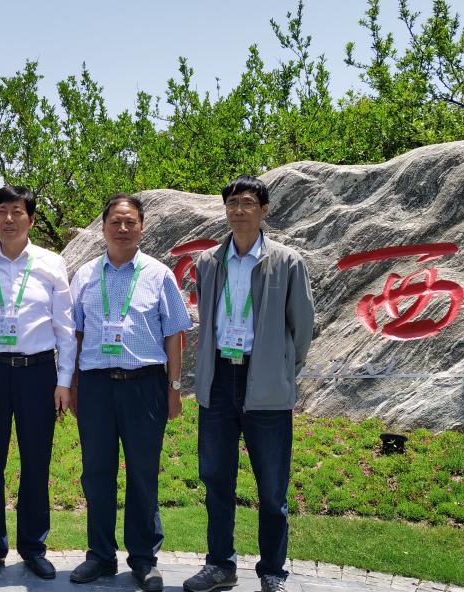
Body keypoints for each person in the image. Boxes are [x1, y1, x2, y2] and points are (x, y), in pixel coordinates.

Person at [182, 176, 314, 592]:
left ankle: (273, 572)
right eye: (232, 203)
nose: (239, 210)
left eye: (248, 203)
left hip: (266, 382)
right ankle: (220, 565)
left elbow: (303, 326)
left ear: (264, 210)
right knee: (216, 481)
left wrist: (281, 369)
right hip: (220, 380)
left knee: (272, 489)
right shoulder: (209, 262)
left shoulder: (287, 262)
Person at [68, 194, 192, 592]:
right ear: (103, 227)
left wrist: (174, 387)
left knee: (142, 472)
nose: (123, 228)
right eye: (115, 222)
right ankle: (100, 555)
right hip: (96, 386)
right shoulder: (85, 275)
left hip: (145, 386)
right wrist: (72, 384)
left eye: (130, 222)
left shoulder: (159, 274)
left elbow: (174, 334)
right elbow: (76, 334)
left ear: (142, 227)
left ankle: (143, 558)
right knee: (96, 472)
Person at [0, 185, 76, 580]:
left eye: (17, 211)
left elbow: (65, 327)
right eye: (1, 211)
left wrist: (63, 381)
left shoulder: (51, 264)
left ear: (31, 219)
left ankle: (33, 547)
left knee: (36, 462)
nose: (8, 219)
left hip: (37, 372)